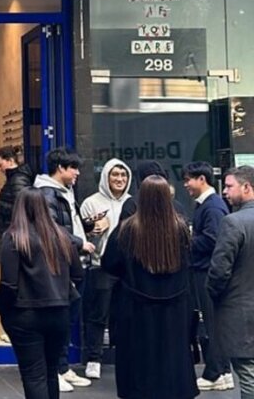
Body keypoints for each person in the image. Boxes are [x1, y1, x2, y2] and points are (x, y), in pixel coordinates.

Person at [102, 175, 198, 399]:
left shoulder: (126, 230)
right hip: (175, 307)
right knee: (173, 357)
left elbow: (109, 264)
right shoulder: (181, 229)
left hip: (135, 308)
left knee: (137, 363)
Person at [0, 187, 83, 399]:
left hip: (25, 313)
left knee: (33, 374)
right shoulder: (62, 236)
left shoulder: (14, 238)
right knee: (51, 371)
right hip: (59, 311)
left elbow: (9, 283)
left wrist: (3, 311)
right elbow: (78, 275)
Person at [33, 147, 93, 391]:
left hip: (71, 262)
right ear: (60, 168)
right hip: (59, 265)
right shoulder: (47, 194)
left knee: (68, 319)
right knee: (58, 321)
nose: (77, 173)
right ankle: (53, 371)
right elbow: (52, 230)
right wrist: (80, 243)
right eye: (74, 168)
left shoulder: (63, 192)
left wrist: (85, 230)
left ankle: (62, 367)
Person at [78, 158, 131, 380]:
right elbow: (82, 236)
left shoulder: (133, 202)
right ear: (106, 177)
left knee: (126, 314)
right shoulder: (91, 202)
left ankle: (126, 356)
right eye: (114, 175)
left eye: (123, 175)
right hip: (101, 266)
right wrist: (94, 230)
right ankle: (94, 358)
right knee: (98, 315)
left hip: (128, 268)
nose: (119, 179)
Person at [183, 161, 233, 392]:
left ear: (201, 179)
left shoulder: (211, 207)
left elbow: (213, 240)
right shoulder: (208, 205)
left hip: (207, 272)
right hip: (204, 271)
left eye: (188, 180)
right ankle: (220, 371)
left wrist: (187, 240)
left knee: (212, 323)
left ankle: (216, 372)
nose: (186, 185)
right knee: (213, 323)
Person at [208, 165, 254, 399]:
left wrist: (214, 294)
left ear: (247, 187)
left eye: (228, 186)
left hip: (240, 314)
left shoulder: (232, 223)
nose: (224, 192)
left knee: (247, 376)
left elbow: (219, 271)